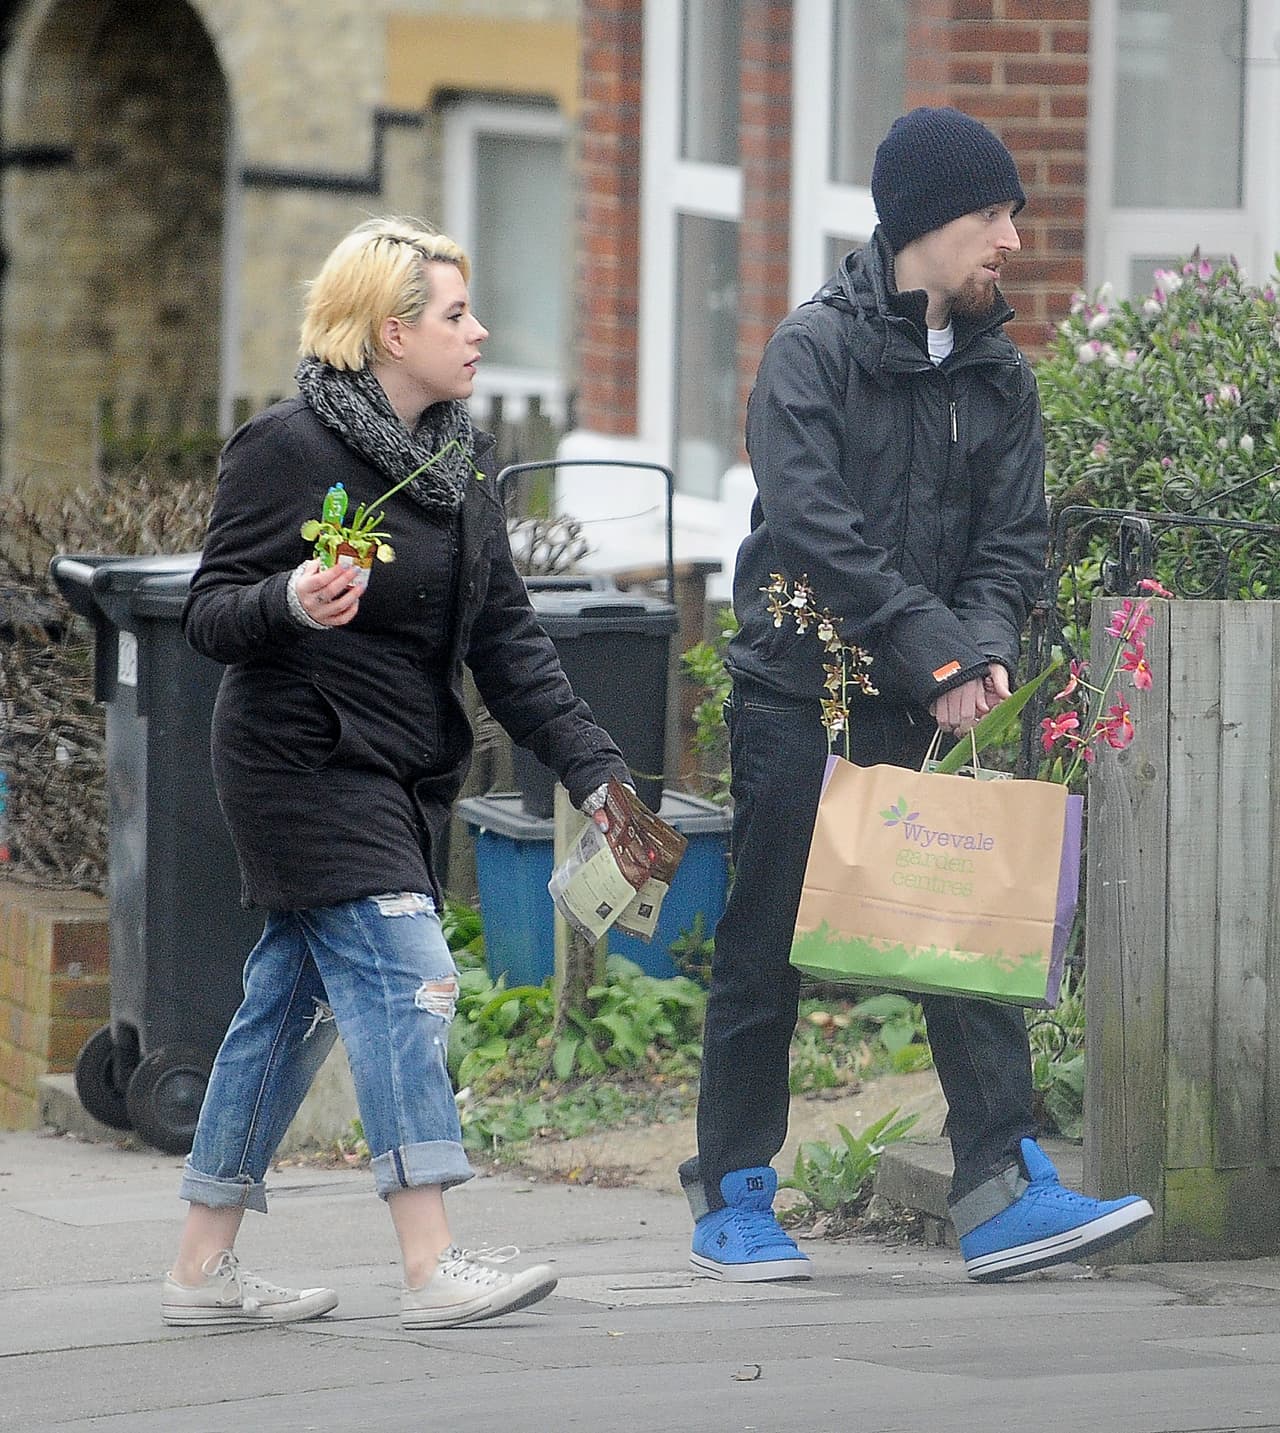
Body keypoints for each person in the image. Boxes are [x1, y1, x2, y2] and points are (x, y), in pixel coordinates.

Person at [678, 107, 1153, 1283]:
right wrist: (931, 648)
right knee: (765, 943)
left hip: (930, 693)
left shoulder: (999, 375)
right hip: (802, 690)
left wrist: (978, 655)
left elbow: (1009, 543)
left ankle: (998, 1190)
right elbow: (813, 526)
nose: (1009, 240)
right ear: (923, 222)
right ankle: (732, 1195)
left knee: (969, 932)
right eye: (989, 214)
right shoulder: (811, 350)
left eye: (1010, 216)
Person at [161, 216, 632, 1330]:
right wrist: (287, 598)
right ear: (391, 331)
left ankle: (198, 1267)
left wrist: (597, 770)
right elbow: (208, 613)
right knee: (408, 974)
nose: (479, 332)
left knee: (287, 1005)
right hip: (297, 761)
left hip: (398, 770)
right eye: (457, 314)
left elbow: (508, 642)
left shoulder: (456, 466)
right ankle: (430, 1262)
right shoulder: (285, 447)